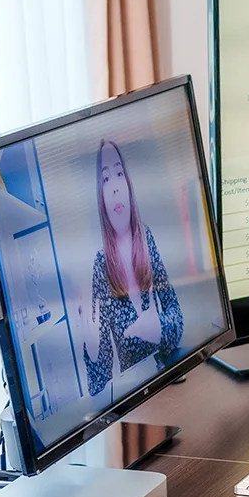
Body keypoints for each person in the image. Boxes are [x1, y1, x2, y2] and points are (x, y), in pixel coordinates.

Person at [83, 139, 185, 395]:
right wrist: (93, 351)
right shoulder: (101, 265)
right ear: (101, 197)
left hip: (170, 381)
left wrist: (159, 329)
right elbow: (100, 385)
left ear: (128, 185)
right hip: (139, 396)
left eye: (119, 174)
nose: (115, 188)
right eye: (105, 180)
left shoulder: (146, 238)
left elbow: (176, 316)